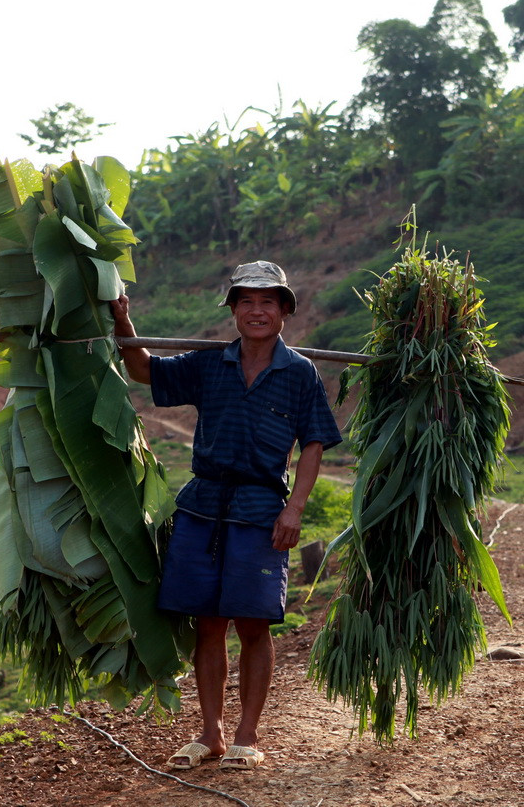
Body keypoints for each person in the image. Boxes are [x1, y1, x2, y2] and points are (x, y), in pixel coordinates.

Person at [111, 260, 341, 771]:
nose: (256, 311)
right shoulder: (209, 364)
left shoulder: (300, 373)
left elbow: (315, 443)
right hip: (203, 506)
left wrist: (295, 507)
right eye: (246, 302)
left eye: (267, 302)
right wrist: (123, 321)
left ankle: (247, 734)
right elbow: (145, 370)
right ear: (234, 310)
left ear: (284, 311)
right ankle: (210, 732)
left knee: (254, 625)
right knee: (208, 623)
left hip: (262, 511)